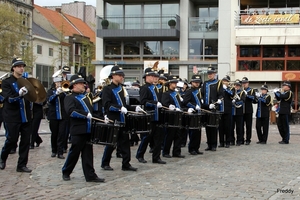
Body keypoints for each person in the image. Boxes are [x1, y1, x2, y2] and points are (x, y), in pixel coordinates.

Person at [62, 74, 104, 182]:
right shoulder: (69, 98)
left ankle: (90, 175)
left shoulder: (86, 97)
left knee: (88, 154)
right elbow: (71, 111)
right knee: (74, 153)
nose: (83, 85)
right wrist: (85, 115)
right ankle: (66, 171)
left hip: (88, 129)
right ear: (74, 85)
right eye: (81, 83)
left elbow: (92, 112)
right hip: (78, 130)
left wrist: (102, 118)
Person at [101, 66, 140, 171]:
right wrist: (119, 108)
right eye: (120, 75)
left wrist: (134, 107)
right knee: (111, 143)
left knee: (125, 143)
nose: (122, 77)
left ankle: (126, 164)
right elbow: (107, 105)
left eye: (122, 75)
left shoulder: (121, 89)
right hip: (113, 119)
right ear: (113, 76)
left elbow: (124, 106)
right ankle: (105, 163)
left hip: (123, 119)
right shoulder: (107, 89)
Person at [0, 57, 32, 172]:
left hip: (26, 116)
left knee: (25, 142)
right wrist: (19, 94)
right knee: (12, 140)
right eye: (19, 66)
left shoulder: (27, 81)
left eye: (23, 66)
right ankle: (2, 158)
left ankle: (22, 165)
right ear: (13, 68)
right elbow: (8, 99)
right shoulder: (7, 82)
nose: (21, 68)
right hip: (12, 116)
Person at [136, 68, 166, 164]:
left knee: (158, 137)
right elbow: (143, 101)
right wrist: (155, 103)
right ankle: (140, 155)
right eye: (152, 76)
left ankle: (156, 157)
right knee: (147, 137)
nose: (154, 78)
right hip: (150, 116)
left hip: (158, 115)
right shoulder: (144, 88)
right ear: (147, 77)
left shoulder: (155, 88)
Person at [161, 75, 185, 158]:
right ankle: (165, 152)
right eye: (173, 83)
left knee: (178, 135)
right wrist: (171, 107)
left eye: (176, 83)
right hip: (170, 117)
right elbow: (165, 104)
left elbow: (180, 104)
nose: (175, 84)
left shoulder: (176, 93)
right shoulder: (166, 94)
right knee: (169, 136)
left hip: (178, 116)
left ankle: (176, 152)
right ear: (169, 84)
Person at [201, 67, 223, 151]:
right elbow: (202, 93)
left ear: (214, 74)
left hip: (213, 107)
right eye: (208, 74)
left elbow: (221, 95)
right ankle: (209, 144)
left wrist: (217, 102)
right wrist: (202, 100)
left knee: (213, 127)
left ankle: (214, 144)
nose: (209, 75)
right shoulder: (205, 83)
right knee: (207, 126)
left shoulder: (218, 82)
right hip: (206, 107)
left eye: (211, 73)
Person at [47, 76, 68, 159]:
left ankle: (60, 152)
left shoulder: (64, 91)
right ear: (54, 83)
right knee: (54, 134)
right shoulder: (50, 91)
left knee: (61, 134)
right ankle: (54, 150)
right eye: (57, 82)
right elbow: (49, 100)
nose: (59, 84)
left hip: (63, 116)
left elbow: (68, 98)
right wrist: (56, 94)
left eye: (60, 82)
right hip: (53, 116)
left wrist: (63, 92)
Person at [182, 74, 203, 155]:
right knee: (193, 132)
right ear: (191, 82)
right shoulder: (189, 92)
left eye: (198, 82)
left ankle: (196, 148)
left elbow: (201, 103)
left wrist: (207, 106)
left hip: (199, 114)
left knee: (198, 132)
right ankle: (191, 149)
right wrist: (194, 106)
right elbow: (185, 102)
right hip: (193, 114)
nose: (197, 83)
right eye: (195, 82)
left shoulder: (199, 91)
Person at [219, 75, 235, 148]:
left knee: (228, 127)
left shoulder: (231, 88)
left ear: (228, 82)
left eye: (226, 81)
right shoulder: (220, 89)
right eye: (223, 81)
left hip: (228, 110)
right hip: (220, 109)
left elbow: (232, 95)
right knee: (221, 127)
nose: (224, 82)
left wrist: (226, 89)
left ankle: (227, 142)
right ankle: (221, 142)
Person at [231, 79, 246, 146]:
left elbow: (243, 101)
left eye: (238, 85)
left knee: (239, 127)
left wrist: (236, 102)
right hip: (232, 112)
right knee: (231, 127)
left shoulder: (242, 92)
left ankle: (239, 140)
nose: (236, 86)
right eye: (235, 85)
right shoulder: (232, 92)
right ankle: (232, 140)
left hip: (239, 112)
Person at [241, 77, 255, 145]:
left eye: (245, 83)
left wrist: (247, 95)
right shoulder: (241, 90)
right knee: (241, 126)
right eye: (243, 83)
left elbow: (253, 98)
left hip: (248, 110)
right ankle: (242, 139)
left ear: (248, 83)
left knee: (248, 126)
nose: (244, 84)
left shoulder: (251, 90)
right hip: (241, 110)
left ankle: (248, 139)